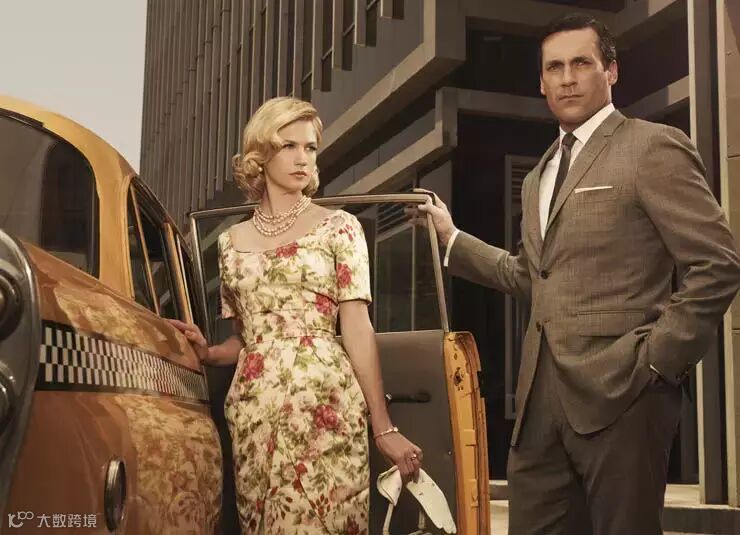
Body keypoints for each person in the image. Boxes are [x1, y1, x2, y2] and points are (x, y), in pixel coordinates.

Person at [415, 13, 740, 535]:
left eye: (581, 64)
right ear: (541, 83)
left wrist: (657, 362)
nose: (567, 78)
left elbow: (717, 264)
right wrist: (452, 238)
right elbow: (531, 277)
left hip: (625, 396)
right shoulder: (538, 176)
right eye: (555, 68)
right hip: (540, 406)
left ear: (611, 71)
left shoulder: (651, 146)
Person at [169, 96, 422, 534]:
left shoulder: (340, 227)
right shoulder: (230, 243)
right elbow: (245, 338)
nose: (303, 158)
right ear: (261, 155)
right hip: (254, 412)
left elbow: (357, 330)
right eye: (289, 146)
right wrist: (208, 353)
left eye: (310, 148)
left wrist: (383, 428)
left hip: (325, 406)